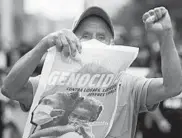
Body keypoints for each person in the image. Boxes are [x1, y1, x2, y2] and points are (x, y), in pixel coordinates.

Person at [1, 6, 182, 138]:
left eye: (101, 37)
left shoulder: (128, 84)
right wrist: (43, 46)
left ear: (111, 43)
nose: (94, 41)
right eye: (85, 36)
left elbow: (172, 87)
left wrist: (165, 35)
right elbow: (10, 89)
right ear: (72, 40)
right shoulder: (52, 80)